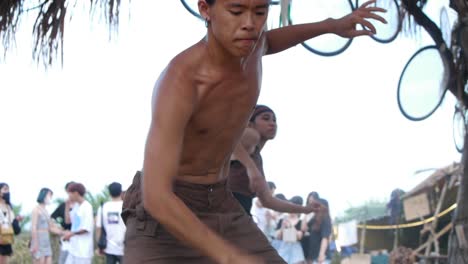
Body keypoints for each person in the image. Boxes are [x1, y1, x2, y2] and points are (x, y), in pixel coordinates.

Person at [122, 0, 386, 262]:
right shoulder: (181, 79)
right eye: (236, 11)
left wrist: (332, 25)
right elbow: (156, 195)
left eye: (260, 12)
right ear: (205, 9)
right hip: (165, 210)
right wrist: (229, 256)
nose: (250, 24)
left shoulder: (256, 46)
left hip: (221, 202)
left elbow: (273, 40)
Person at [229, 105, 322, 216]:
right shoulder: (252, 135)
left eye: (274, 120)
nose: (272, 123)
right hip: (226, 209)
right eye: (266, 118)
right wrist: (251, 168)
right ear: (250, 124)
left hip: (237, 212)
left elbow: (268, 201)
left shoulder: (256, 158)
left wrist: (305, 209)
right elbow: (229, 138)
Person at [30, 188, 65, 264]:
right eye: (49, 195)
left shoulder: (46, 211)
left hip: (46, 240)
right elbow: (33, 227)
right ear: (43, 195)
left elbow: (51, 228)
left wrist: (63, 233)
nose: (50, 198)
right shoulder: (36, 210)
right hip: (38, 240)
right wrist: (35, 243)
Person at [63, 183, 94, 264]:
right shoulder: (76, 206)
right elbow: (68, 221)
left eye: (69, 193)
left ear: (76, 193)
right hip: (73, 249)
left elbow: (86, 228)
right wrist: (67, 205)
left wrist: (70, 234)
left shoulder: (87, 207)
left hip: (83, 251)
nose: (68, 196)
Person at [96, 182, 126, 264]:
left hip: (109, 247)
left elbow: (99, 229)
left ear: (109, 193)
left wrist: (99, 247)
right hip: (126, 248)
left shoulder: (103, 207)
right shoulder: (126, 206)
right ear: (121, 192)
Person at [301, 193, 332, 264]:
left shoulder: (326, 219)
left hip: (321, 257)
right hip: (313, 256)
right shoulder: (314, 219)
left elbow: (325, 238)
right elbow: (304, 228)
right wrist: (306, 213)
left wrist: (321, 255)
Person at [275, 196, 306, 264]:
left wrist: (291, 226)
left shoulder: (301, 222)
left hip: (296, 251)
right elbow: (278, 237)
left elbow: (299, 237)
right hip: (283, 248)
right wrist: (282, 228)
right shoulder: (282, 220)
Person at [51, 181, 75, 264]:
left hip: (79, 238)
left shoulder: (82, 206)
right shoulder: (63, 206)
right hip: (66, 240)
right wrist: (60, 230)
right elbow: (52, 219)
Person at [0, 183, 21, 264]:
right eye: (5, 189)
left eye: (8, 190)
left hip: (6, 235)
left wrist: (17, 220)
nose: (7, 192)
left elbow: (11, 220)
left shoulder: (8, 206)